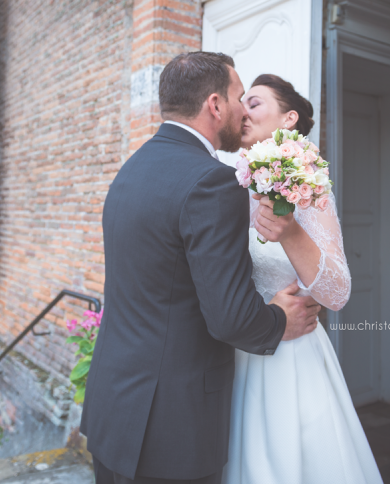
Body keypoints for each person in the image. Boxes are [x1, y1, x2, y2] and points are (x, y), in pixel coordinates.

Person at [81, 53, 322, 484]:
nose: (241, 110)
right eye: (237, 98)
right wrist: (278, 319)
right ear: (214, 106)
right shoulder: (212, 182)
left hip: (113, 409)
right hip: (170, 427)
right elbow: (229, 317)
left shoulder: (131, 170)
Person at [218, 74, 383, 484]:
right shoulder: (227, 184)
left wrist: (290, 232)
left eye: (254, 103)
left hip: (289, 359)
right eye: (242, 102)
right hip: (234, 354)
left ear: (289, 118)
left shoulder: (309, 186)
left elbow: (338, 293)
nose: (242, 111)